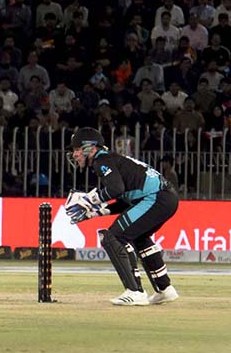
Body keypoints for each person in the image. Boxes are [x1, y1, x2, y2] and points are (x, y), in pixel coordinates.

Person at [66, 127, 179, 306]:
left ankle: (135, 291)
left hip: (157, 197)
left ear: (90, 147)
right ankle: (165, 289)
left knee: (114, 236)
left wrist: (89, 200)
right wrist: (95, 212)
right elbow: (125, 199)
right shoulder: (110, 160)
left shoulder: (101, 160)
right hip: (164, 197)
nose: (74, 154)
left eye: (77, 149)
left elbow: (115, 190)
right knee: (139, 237)